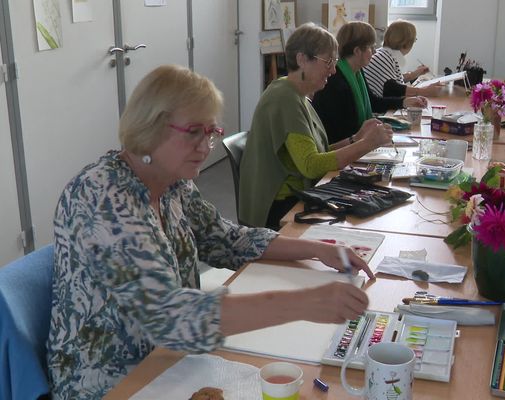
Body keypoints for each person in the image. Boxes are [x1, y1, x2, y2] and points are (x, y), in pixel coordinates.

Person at [46, 64, 374, 399]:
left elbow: (226, 239)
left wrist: (317, 249)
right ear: (150, 126)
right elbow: (171, 319)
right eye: (192, 132)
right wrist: (306, 303)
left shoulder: (172, 182)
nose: (205, 147)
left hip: (171, 359)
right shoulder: (103, 196)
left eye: (211, 132)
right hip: (110, 379)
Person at [239, 23, 393, 230]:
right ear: (302, 59)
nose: (333, 69)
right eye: (328, 61)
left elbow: (317, 154)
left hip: (297, 195)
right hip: (279, 207)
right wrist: (367, 144)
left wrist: (355, 139)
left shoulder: (297, 95)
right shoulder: (284, 98)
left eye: (335, 61)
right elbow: (311, 166)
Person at [312, 21, 427, 144]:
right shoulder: (336, 81)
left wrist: (404, 102)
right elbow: (341, 131)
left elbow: (373, 101)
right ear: (357, 51)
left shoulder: (356, 71)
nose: (374, 52)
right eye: (371, 47)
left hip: (354, 142)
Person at [363, 19, 443, 100]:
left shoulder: (384, 53)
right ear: (407, 43)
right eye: (414, 40)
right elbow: (393, 89)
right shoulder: (385, 58)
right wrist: (425, 91)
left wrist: (415, 74)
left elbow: (391, 80)